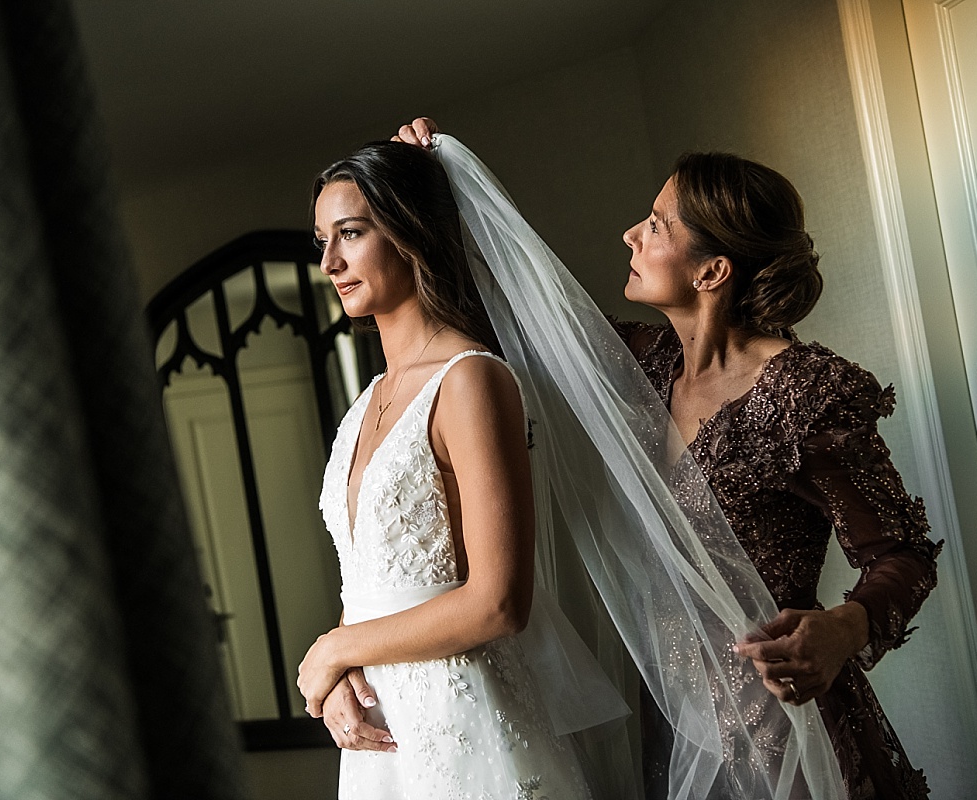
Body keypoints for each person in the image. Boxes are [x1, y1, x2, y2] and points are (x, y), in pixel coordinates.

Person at [383, 119, 943, 799]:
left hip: (786, 727)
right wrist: (431, 189)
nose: (632, 235)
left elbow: (905, 553)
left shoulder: (806, 393)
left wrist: (844, 628)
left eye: (656, 224)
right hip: (676, 728)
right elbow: (508, 312)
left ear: (712, 270)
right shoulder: (643, 367)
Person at [298, 141, 611, 799]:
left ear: (410, 232)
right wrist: (339, 680)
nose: (329, 262)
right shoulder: (363, 407)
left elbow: (498, 602)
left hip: (468, 727)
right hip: (379, 736)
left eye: (350, 233)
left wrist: (334, 648)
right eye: (323, 239)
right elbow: (375, 582)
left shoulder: (471, 382)